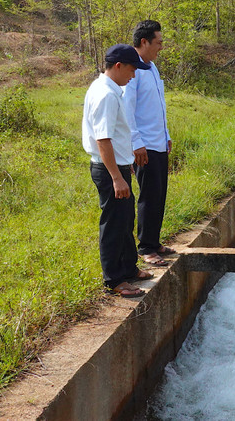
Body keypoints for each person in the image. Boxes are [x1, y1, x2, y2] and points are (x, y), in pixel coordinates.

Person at [82, 44, 153, 297]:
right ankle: (114, 280)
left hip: (119, 167)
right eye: (132, 69)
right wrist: (116, 177)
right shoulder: (106, 95)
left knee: (125, 221)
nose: (133, 75)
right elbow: (103, 139)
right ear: (119, 66)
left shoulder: (110, 89)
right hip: (109, 170)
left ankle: (128, 269)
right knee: (113, 224)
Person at [122, 20, 174, 267]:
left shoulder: (151, 67)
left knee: (159, 194)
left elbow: (158, 106)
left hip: (159, 142)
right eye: (158, 43)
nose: (160, 48)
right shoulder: (133, 70)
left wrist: (167, 135)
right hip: (144, 145)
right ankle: (145, 247)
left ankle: (154, 241)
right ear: (144, 42)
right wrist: (136, 142)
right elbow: (128, 109)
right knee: (148, 196)